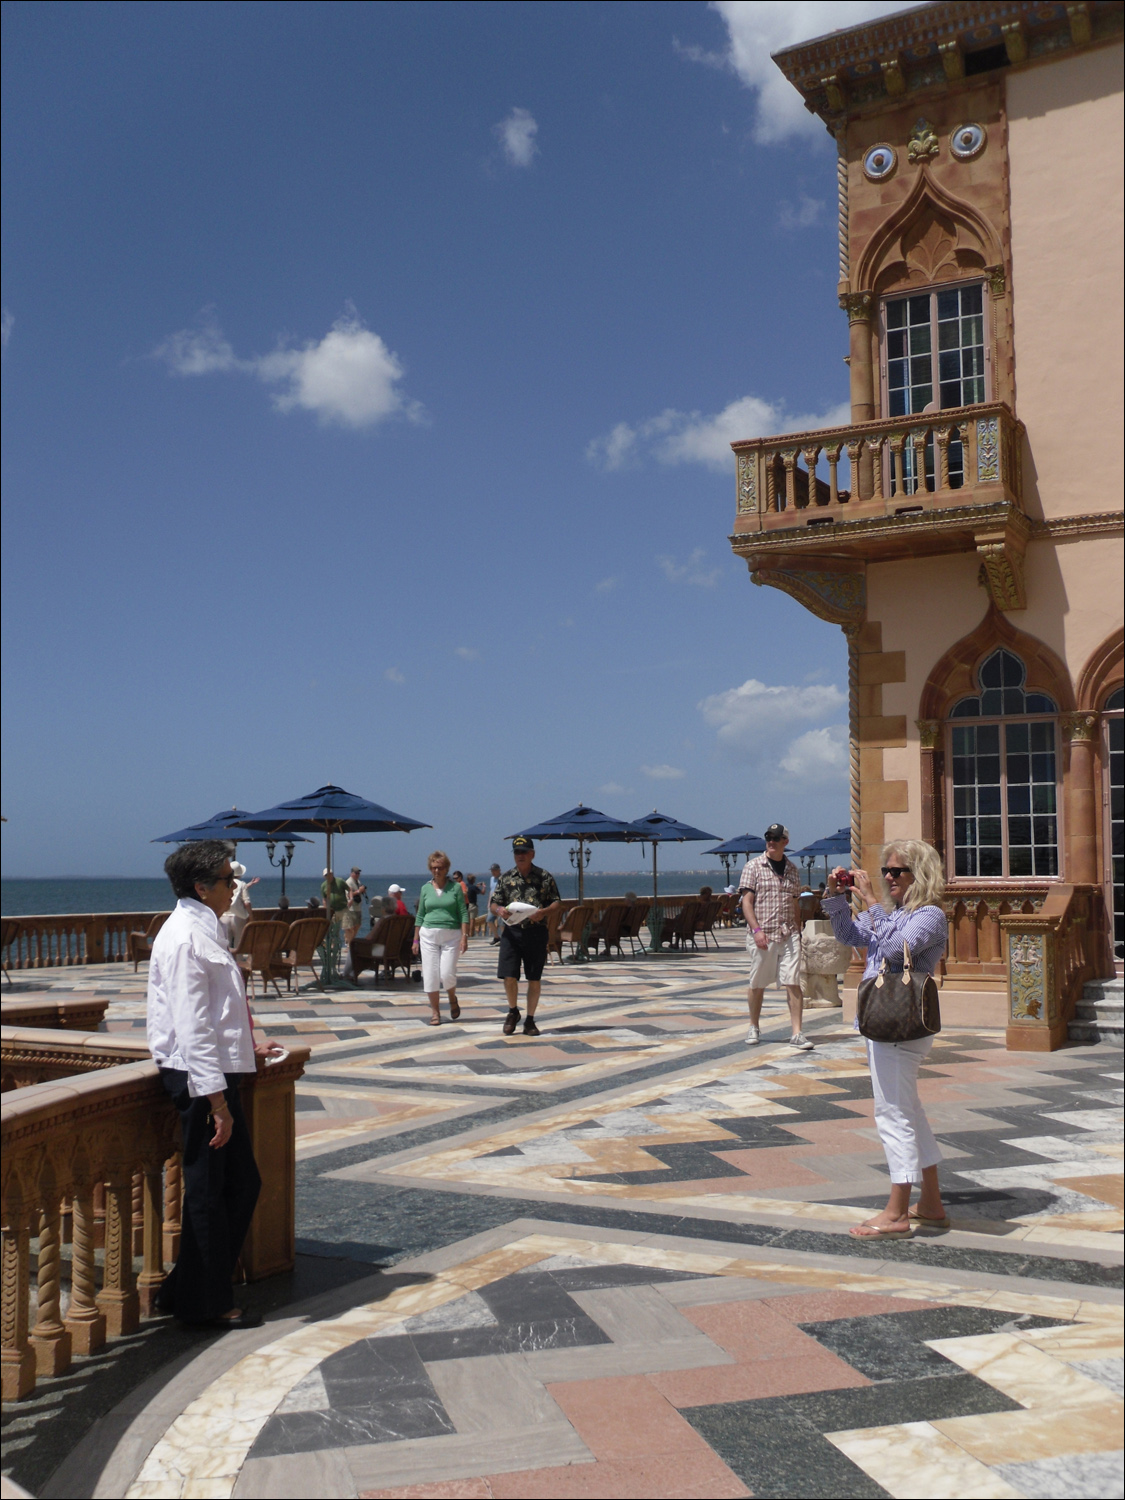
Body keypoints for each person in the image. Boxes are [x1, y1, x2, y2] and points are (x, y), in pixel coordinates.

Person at [146, 841, 282, 1329]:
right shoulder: (184, 936)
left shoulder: (204, 928)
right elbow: (192, 1026)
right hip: (199, 1079)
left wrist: (248, 1048)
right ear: (202, 887)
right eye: (229, 880)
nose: (234, 886)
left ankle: (184, 1289)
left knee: (237, 1185)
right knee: (210, 1190)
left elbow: (219, 1012)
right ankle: (204, 1305)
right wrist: (217, 1103)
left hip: (216, 1072)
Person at [823, 841, 949, 1239]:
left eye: (898, 871)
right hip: (883, 1024)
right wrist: (837, 898)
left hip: (901, 1026)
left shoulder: (930, 915)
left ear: (920, 874)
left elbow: (896, 949)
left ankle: (896, 1213)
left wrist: (874, 903)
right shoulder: (892, 915)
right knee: (908, 1111)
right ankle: (930, 1203)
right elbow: (847, 935)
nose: (890, 877)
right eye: (887, 871)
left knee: (892, 1115)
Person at [739, 823, 813, 1051]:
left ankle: (797, 1033)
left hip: (788, 933)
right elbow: (746, 903)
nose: (771, 841)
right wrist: (756, 930)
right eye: (768, 838)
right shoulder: (753, 867)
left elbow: (794, 902)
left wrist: (798, 930)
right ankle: (754, 1026)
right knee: (758, 982)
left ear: (785, 842)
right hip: (764, 933)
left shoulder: (792, 870)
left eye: (776, 838)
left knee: (793, 981)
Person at [490, 836, 561, 1036]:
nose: (520, 856)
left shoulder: (544, 876)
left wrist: (544, 913)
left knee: (534, 978)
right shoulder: (506, 877)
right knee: (509, 976)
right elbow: (494, 903)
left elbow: (557, 902)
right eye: (516, 852)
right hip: (512, 933)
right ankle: (513, 1011)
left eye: (524, 852)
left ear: (532, 854)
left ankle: (530, 1019)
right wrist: (499, 910)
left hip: (536, 933)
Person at [412, 851, 470, 1024]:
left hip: (451, 936)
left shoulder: (456, 888)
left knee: (446, 974)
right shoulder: (425, 888)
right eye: (434, 868)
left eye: (440, 868)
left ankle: (452, 998)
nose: (437, 871)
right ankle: (435, 1012)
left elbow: (463, 913)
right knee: (430, 975)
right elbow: (420, 915)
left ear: (446, 869)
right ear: (430, 868)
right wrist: (415, 939)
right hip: (428, 935)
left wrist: (464, 936)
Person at [220, 861, 259, 950]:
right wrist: (251, 916)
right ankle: (239, 962)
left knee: (225, 945)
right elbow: (247, 902)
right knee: (239, 945)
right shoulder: (242, 884)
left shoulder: (223, 883)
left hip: (224, 916)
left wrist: (249, 884)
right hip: (238, 917)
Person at [342, 867, 366, 945]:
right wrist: (359, 891)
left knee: (358, 925)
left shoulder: (358, 881)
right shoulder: (349, 882)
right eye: (356, 873)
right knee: (351, 927)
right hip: (351, 908)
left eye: (358, 873)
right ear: (351, 873)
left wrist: (362, 891)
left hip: (358, 907)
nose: (357, 875)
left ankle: (349, 940)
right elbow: (349, 894)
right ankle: (349, 943)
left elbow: (358, 892)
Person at [486, 864, 503, 943]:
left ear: (499, 870)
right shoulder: (491, 879)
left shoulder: (502, 878)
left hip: (501, 903)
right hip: (492, 903)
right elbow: (491, 891)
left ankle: (504, 939)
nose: (493, 872)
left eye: (494, 871)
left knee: (501, 923)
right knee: (489, 920)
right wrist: (489, 902)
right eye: (492, 871)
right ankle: (496, 937)